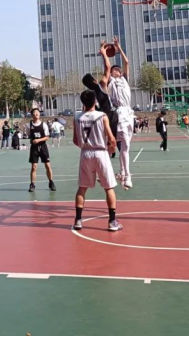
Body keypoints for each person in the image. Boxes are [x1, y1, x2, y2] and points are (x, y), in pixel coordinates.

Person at [72, 90, 121, 232]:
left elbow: (75, 140)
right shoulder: (102, 116)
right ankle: (112, 221)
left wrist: (86, 147)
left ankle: (78, 220)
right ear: (95, 101)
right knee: (108, 187)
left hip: (85, 153)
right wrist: (111, 149)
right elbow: (112, 139)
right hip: (101, 152)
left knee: (82, 188)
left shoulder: (77, 116)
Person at [99, 37, 135, 190]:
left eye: (118, 70)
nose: (116, 71)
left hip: (129, 113)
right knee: (116, 144)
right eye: (114, 70)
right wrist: (104, 53)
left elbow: (126, 62)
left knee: (125, 146)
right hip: (117, 113)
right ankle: (122, 174)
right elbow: (106, 67)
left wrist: (118, 47)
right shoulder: (110, 81)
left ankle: (124, 174)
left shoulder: (124, 79)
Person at [28, 108, 56, 192]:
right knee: (34, 167)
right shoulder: (29, 125)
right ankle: (32, 184)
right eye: (35, 112)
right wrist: (32, 141)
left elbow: (47, 137)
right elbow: (29, 136)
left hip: (43, 147)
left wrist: (38, 140)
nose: (36, 114)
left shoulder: (44, 125)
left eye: (38, 112)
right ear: (32, 115)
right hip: (34, 148)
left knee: (47, 165)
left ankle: (51, 182)